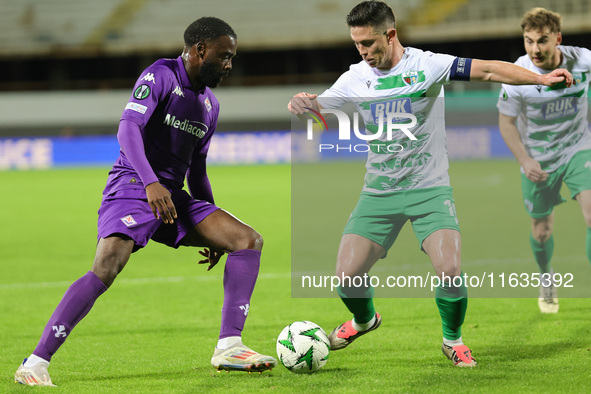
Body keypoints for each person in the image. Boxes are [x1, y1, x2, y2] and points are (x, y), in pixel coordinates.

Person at [288, 1, 572, 367]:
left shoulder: (427, 65)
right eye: (357, 44)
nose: (363, 52)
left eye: (369, 43)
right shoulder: (355, 77)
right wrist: (304, 102)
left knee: (450, 269)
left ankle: (452, 340)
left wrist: (540, 77)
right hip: (379, 194)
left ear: (390, 35)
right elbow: (320, 104)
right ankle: (364, 320)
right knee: (345, 278)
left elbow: (486, 70)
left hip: (430, 190)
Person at [15, 17, 277, 387]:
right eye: (224, 56)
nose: (229, 65)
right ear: (201, 51)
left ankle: (229, 346)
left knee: (246, 240)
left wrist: (213, 226)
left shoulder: (210, 106)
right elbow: (128, 128)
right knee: (107, 266)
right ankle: (36, 361)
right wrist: (151, 183)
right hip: (135, 185)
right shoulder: (161, 75)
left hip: (172, 196)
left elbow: (198, 171)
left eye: (232, 58)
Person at [497, 8, 591, 314]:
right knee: (542, 231)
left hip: (579, 149)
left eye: (542, 41)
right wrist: (525, 160)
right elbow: (506, 123)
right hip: (539, 159)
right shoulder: (518, 74)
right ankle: (546, 277)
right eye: (528, 41)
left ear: (558, 39)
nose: (535, 49)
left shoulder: (584, 62)